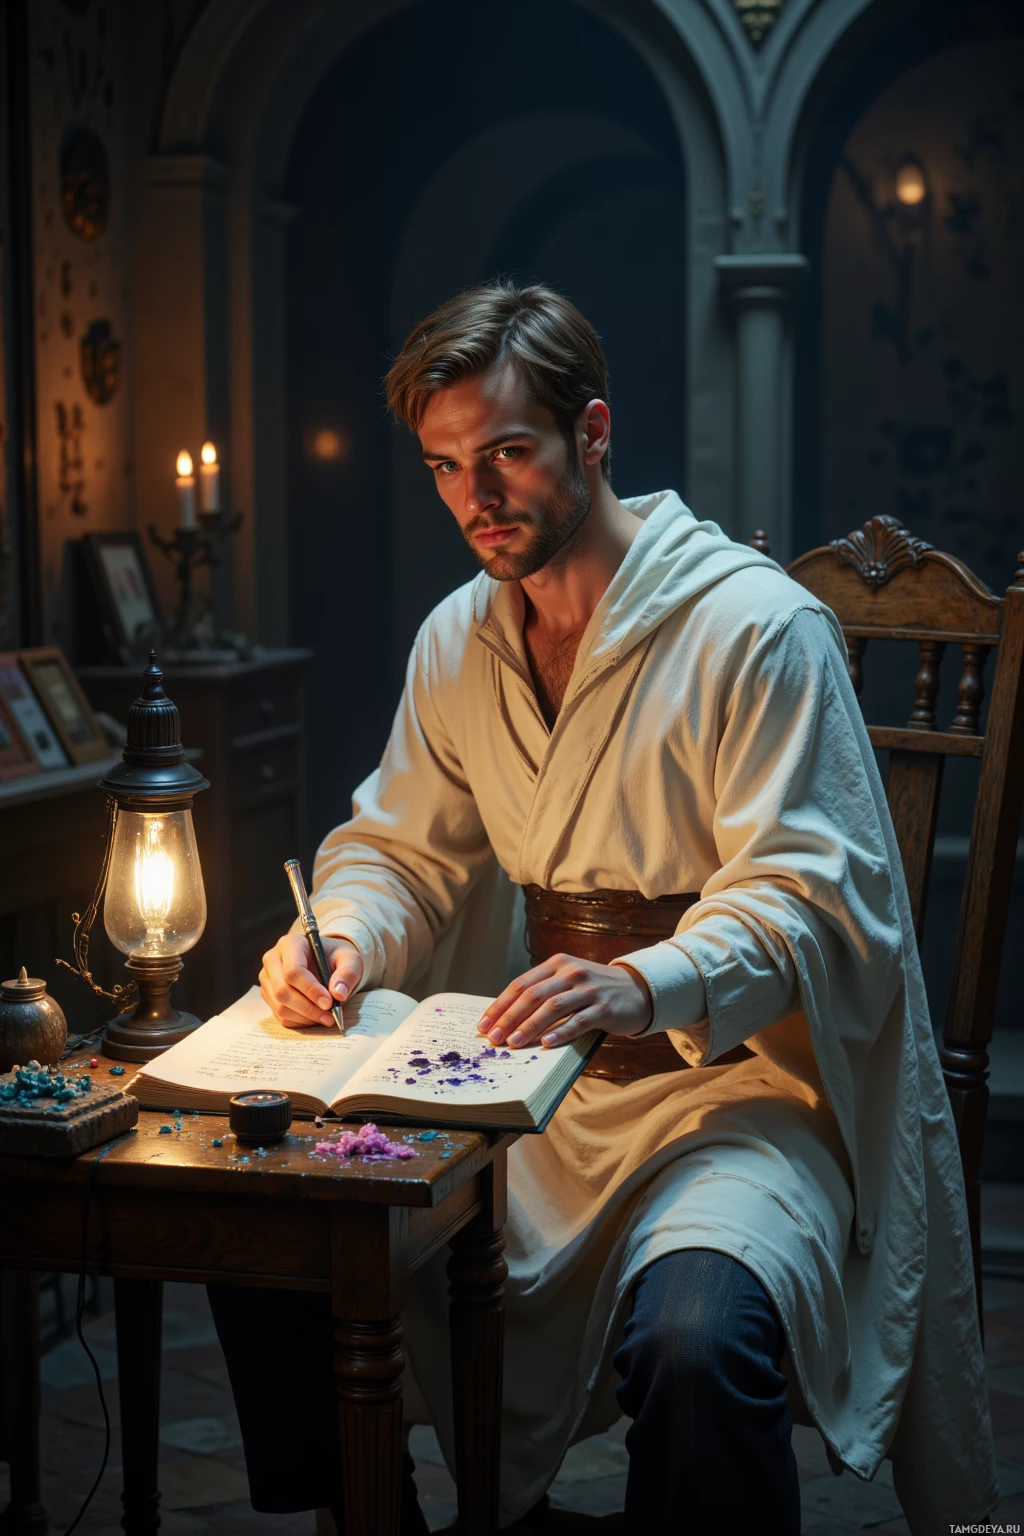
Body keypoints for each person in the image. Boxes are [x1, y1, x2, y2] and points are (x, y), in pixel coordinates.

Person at [209, 281, 997, 1534]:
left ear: (593, 433)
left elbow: (805, 892)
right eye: (445, 466)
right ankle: (374, 1520)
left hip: (736, 1106)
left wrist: (641, 982)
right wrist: (342, 935)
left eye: (506, 452)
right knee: (264, 1225)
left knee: (697, 1340)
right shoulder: (458, 643)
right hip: (530, 1103)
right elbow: (399, 850)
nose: (475, 496)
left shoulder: (755, 628)